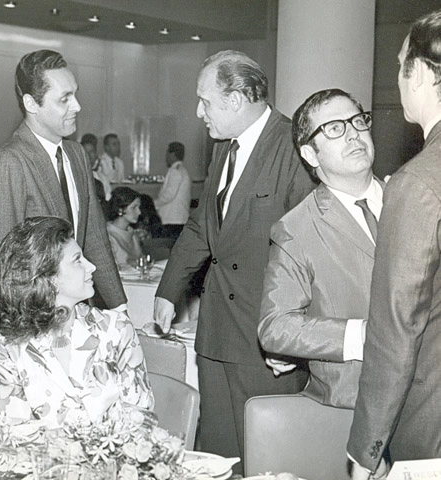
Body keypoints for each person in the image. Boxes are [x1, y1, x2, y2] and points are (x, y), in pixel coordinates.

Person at [153, 50, 315, 470]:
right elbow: (202, 227)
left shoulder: (294, 147)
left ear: (238, 98)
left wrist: (296, 340)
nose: (198, 112)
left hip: (265, 343)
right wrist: (169, 290)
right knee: (216, 457)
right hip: (217, 335)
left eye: (205, 101)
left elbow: (313, 254)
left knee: (268, 463)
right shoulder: (223, 149)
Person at [348, 10, 441, 479]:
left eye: (401, 65)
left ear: (421, 73)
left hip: (431, 430)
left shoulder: (417, 183)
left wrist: (366, 449)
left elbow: (395, 328)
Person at [0, 50, 126, 345]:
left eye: (75, 95)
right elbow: (5, 272)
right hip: (28, 330)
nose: (78, 106)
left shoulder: (76, 155)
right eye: (65, 99)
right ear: (31, 104)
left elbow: (95, 238)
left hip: (75, 320)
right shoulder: (11, 163)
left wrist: (120, 308)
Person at [258, 89, 381, 410]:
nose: (353, 133)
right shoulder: (297, 229)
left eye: (358, 121)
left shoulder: (415, 198)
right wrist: (362, 336)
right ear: (310, 155)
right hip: (352, 405)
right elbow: (275, 327)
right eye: (334, 128)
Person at [0, 216, 153, 427]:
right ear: (47, 278)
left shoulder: (116, 330)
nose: (92, 266)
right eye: (77, 260)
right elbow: (18, 431)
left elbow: (141, 417)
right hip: (41, 458)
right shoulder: (6, 347)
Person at [154, 142, 191, 240]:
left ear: (173, 154)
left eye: (167, 153)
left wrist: (152, 204)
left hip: (172, 219)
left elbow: (169, 195)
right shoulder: (182, 170)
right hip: (177, 219)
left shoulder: (175, 171)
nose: (166, 156)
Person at [106, 187, 143, 268]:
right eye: (134, 208)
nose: (139, 212)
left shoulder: (132, 233)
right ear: (120, 209)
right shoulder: (108, 236)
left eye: (139, 207)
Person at [81, 132, 111, 204]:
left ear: (96, 154)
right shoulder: (75, 176)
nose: (89, 155)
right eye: (85, 152)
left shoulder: (102, 178)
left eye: (92, 151)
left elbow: (108, 199)